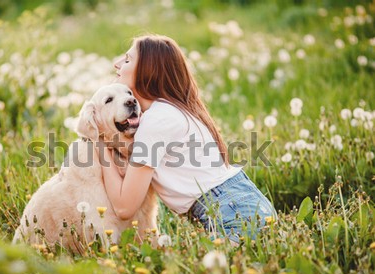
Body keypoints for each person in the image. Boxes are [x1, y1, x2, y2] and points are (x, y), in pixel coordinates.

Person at [98, 34, 276, 244]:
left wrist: (100, 146)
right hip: (244, 205)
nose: (116, 63)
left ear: (148, 70)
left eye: (127, 60)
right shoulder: (172, 110)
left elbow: (124, 207)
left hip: (234, 215)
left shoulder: (156, 121)